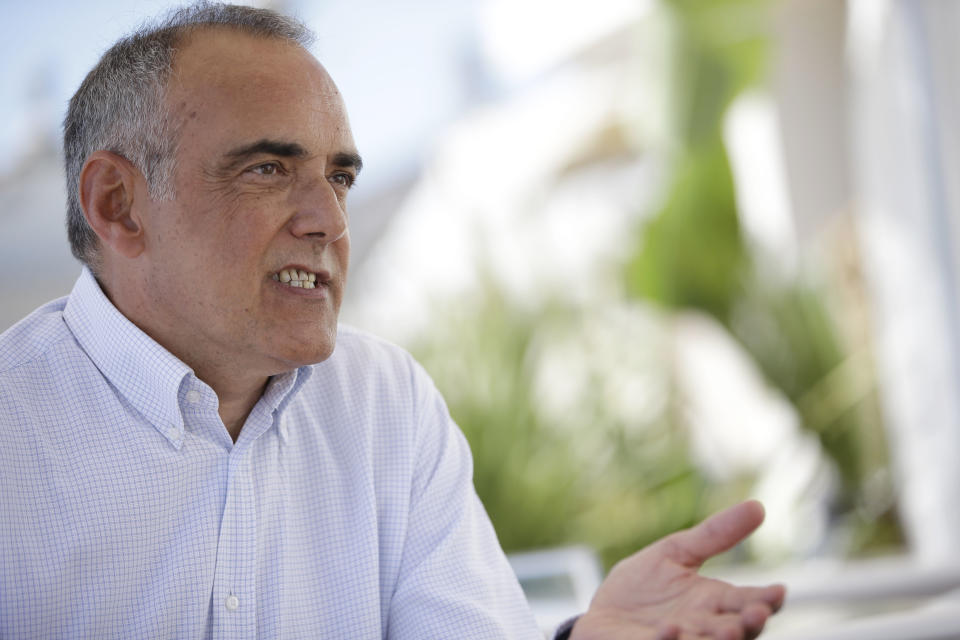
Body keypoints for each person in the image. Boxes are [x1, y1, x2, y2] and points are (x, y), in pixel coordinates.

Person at [0, 3, 785, 638]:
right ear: (117, 205)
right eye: (268, 169)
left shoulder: (386, 403)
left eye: (338, 177)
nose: (328, 221)